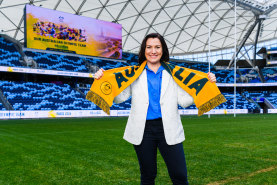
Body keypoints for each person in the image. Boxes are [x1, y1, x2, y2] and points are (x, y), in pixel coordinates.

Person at [94, 33, 216, 185]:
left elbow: (184, 101)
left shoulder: (173, 73)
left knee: (179, 176)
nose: (153, 51)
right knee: (148, 176)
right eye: (149, 47)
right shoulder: (134, 73)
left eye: (157, 47)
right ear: (144, 50)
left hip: (168, 128)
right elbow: (119, 98)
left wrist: (206, 83)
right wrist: (102, 79)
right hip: (143, 130)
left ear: (163, 50)